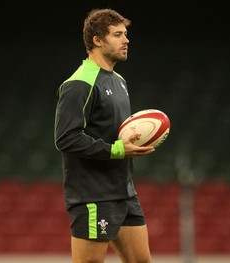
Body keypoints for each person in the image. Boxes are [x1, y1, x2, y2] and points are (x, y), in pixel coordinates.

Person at [54, 8, 155, 263]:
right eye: (118, 34)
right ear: (97, 40)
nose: (126, 40)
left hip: (124, 191)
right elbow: (66, 138)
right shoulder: (79, 84)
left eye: (126, 34)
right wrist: (117, 150)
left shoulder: (119, 80)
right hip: (93, 196)